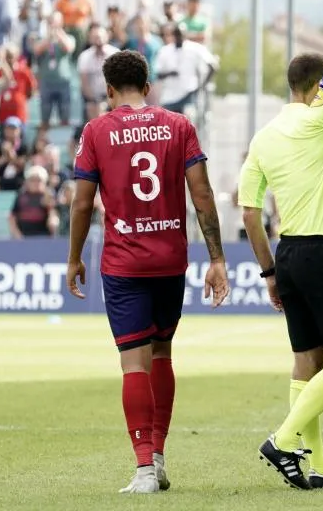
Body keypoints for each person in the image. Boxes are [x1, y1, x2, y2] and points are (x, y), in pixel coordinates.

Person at [66, 50, 230, 494]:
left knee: (133, 363)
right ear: (149, 86)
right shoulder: (179, 126)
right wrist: (216, 258)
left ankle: (142, 470)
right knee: (162, 354)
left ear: (108, 90)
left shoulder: (97, 130)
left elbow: (82, 202)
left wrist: (74, 256)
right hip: (170, 260)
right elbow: (203, 195)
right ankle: (157, 456)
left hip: (124, 263)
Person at [238, 0, 323, 490]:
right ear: (317, 89)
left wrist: (268, 273)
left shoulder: (263, 136)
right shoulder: (317, 120)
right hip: (316, 250)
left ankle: (315, 468)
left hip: (287, 255)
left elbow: (248, 212)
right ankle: (285, 439)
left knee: (306, 359)